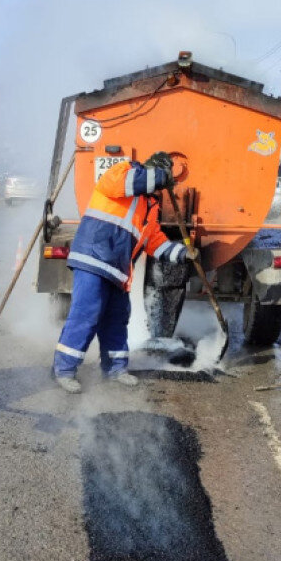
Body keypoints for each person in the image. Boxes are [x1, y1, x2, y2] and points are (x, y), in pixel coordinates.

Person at [52, 152, 191, 393]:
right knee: (86, 315)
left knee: (117, 319)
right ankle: (64, 370)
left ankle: (115, 369)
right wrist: (160, 176)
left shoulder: (149, 208)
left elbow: (155, 242)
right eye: (162, 176)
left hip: (118, 272)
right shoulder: (122, 172)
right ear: (152, 171)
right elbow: (125, 182)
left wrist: (184, 254)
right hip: (93, 259)